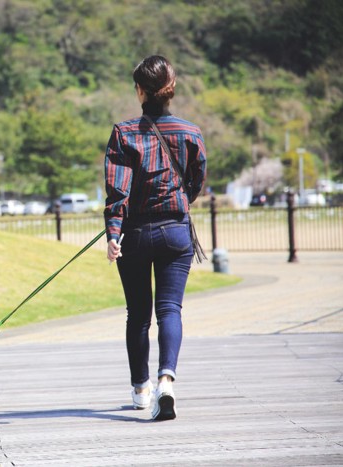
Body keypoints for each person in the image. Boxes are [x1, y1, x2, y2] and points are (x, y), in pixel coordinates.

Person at [103, 55, 207, 421]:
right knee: (170, 310)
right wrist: (177, 203)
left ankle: (140, 390)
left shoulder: (124, 132)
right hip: (176, 232)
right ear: (170, 91)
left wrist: (113, 233)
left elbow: (118, 191)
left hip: (134, 234)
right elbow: (195, 183)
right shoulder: (191, 133)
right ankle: (167, 381)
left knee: (138, 315)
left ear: (140, 91)